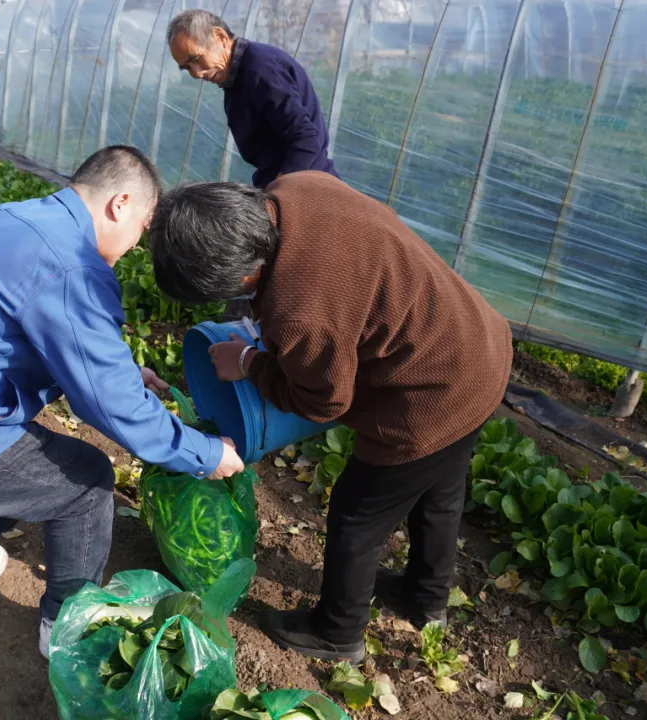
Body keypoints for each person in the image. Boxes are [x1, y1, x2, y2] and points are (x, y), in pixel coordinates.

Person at [0, 146, 245, 658]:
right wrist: (207, 455)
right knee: (88, 482)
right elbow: (111, 408)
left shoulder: (27, 222)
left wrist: (122, 372)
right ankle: (66, 631)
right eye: (143, 226)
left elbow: (35, 337)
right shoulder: (70, 264)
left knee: (16, 462)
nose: (139, 241)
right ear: (120, 204)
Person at [148, 172, 513, 663]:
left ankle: (338, 631)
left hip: (432, 391)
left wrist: (250, 362)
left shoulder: (300, 310)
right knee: (440, 489)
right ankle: (427, 598)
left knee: (357, 514)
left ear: (242, 276)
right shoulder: (296, 189)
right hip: (479, 348)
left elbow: (324, 401)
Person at [166, 9, 338, 190]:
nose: (197, 73)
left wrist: (278, 193)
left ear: (220, 37)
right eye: (187, 68)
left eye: (197, 59)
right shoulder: (236, 79)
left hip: (309, 186)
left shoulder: (260, 70)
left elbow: (306, 138)